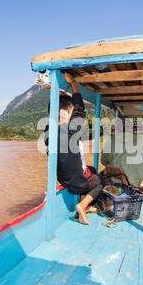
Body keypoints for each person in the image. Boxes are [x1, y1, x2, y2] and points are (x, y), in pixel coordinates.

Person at [44, 72, 102, 225]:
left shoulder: (48, 132)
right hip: (77, 182)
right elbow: (80, 108)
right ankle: (83, 206)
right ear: (63, 113)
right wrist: (73, 83)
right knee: (99, 180)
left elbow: (74, 111)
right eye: (70, 113)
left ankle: (85, 202)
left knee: (92, 170)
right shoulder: (71, 130)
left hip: (63, 178)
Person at [101, 122, 143, 190]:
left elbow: (103, 161)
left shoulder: (110, 141)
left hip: (114, 180)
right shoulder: (138, 140)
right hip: (135, 182)